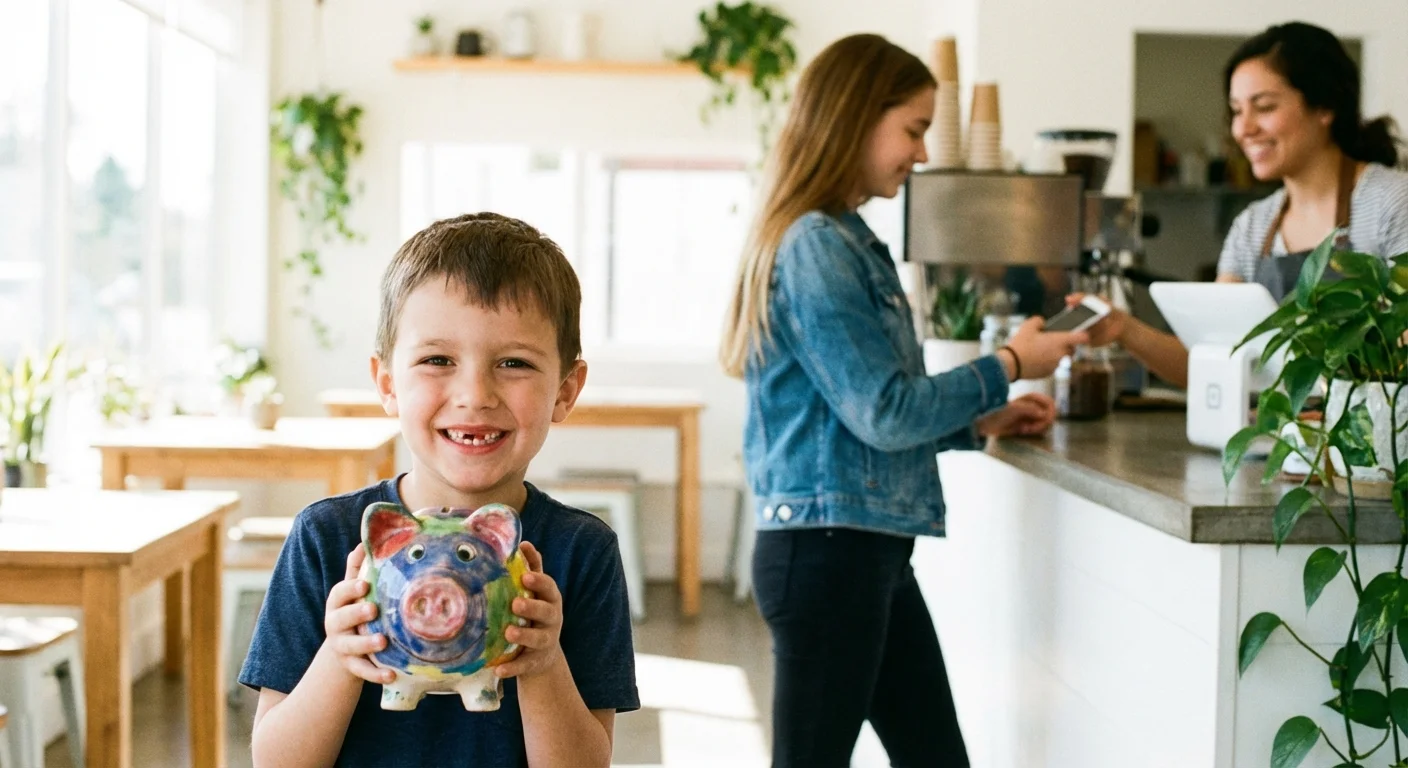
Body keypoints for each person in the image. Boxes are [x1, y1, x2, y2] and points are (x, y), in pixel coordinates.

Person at [719, 34, 1087, 767]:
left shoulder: (844, 239)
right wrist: (1011, 362)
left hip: (860, 553)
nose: (922, 154)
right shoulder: (818, 244)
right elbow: (885, 413)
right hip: (830, 557)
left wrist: (979, 424)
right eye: (913, 129)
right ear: (855, 118)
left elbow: (854, 419)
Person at [241, 213, 639, 767]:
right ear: (388, 384)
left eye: (513, 363)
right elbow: (277, 762)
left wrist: (544, 662)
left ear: (565, 390)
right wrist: (341, 652)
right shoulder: (328, 540)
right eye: (437, 360)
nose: (474, 393)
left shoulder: (581, 552)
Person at [1075, 21, 1408, 387]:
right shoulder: (1253, 226)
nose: (1242, 129)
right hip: (1280, 442)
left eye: (1263, 107)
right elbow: (1211, 359)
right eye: (1236, 111)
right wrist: (1122, 328)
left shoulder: (1391, 202)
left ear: (1324, 106)